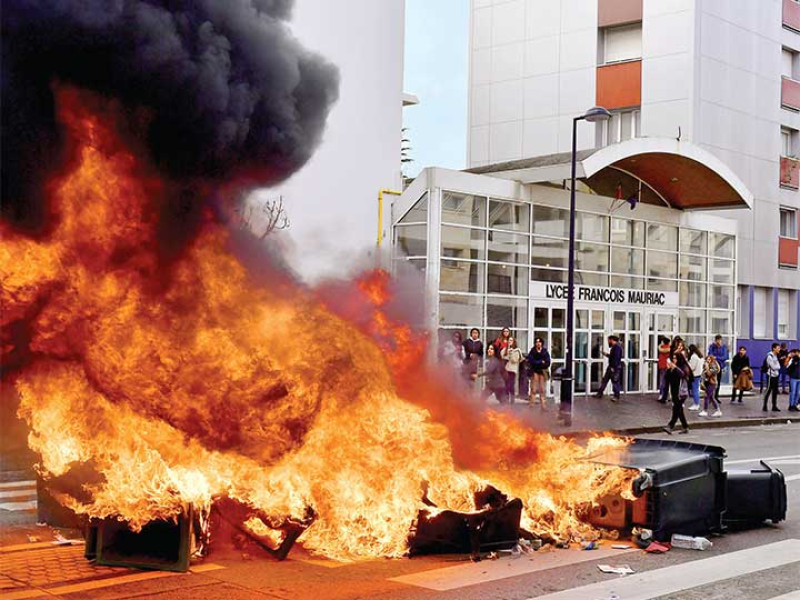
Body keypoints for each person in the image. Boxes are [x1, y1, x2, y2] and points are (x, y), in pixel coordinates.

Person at [663, 337, 690, 434]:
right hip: (674, 391)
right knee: (679, 409)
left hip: (681, 391)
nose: (673, 360)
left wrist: (675, 367)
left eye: (675, 358)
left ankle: (671, 426)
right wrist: (669, 369)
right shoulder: (672, 367)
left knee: (676, 408)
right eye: (673, 358)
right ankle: (685, 426)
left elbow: (684, 374)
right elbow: (667, 378)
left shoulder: (683, 366)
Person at [595, 335, 622, 402]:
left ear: (612, 340)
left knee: (615, 382)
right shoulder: (614, 347)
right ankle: (599, 393)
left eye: (608, 340)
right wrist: (606, 354)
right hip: (611, 367)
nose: (608, 342)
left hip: (614, 368)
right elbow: (612, 357)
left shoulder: (617, 347)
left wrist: (613, 367)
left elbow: (616, 358)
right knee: (604, 380)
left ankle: (616, 396)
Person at [526, 337, 551, 409]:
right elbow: (531, 361)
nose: (538, 343)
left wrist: (542, 363)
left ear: (542, 343)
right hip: (535, 372)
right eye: (537, 342)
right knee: (533, 389)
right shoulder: (533, 351)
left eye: (539, 342)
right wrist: (540, 362)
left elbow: (547, 362)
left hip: (542, 372)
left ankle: (543, 406)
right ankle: (531, 405)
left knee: (542, 389)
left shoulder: (545, 351)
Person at [707, 335, 729, 403]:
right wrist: (715, 357)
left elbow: (725, 357)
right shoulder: (712, 346)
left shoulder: (724, 347)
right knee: (711, 381)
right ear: (715, 340)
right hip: (713, 366)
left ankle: (716, 396)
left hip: (720, 366)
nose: (718, 341)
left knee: (718, 382)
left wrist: (716, 357)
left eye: (719, 340)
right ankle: (710, 396)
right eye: (717, 340)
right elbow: (710, 355)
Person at [501, 337, 524, 403]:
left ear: (514, 342)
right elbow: (502, 356)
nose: (509, 341)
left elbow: (515, 360)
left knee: (510, 384)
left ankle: (512, 397)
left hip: (512, 370)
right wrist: (507, 352)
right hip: (506, 369)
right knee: (505, 384)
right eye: (509, 340)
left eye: (511, 340)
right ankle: (506, 399)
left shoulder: (517, 350)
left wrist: (510, 354)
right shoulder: (505, 349)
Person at [763, 343, 781, 412]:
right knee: (768, 390)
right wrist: (777, 367)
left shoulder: (776, 356)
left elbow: (778, 366)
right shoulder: (769, 356)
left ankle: (774, 406)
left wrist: (777, 367)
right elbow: (773, 367)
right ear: (774, 348)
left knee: (775, 391)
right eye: (778, 348)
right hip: (770, 375)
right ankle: (765, 405)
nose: (779, 349)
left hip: (776, 375)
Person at [687, 344, 704, 411]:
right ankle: (696, 403)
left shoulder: (693, 357)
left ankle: (696, 404)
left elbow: (692, 367)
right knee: (696, 390)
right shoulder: (700, 356)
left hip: (694, 375)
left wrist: (688, 363)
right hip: (698, 374)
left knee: (695, 390)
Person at [657, 336, 671, 403]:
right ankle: (665, 395)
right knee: (665, 382)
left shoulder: (663, 347)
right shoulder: (669, 347)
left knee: (662, 381)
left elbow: (660, 349)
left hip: (663, 366)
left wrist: (660, 345)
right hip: (666, 366)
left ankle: (662, 395)